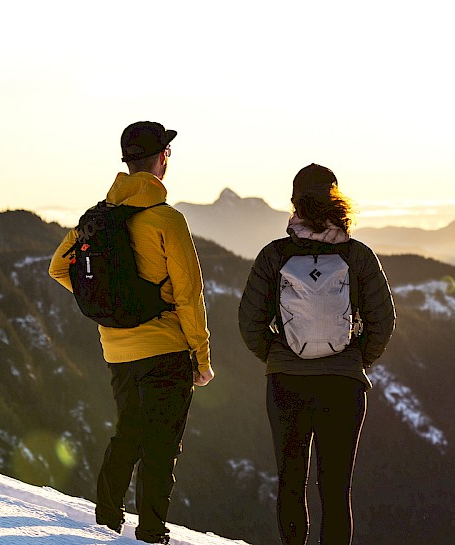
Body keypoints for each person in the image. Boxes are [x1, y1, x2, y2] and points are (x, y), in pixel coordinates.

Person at [49, 121, 215, 544]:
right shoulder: (167, 220)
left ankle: (105, 520)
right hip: (166, 348)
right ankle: (151, 533)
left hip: (117, 349)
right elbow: (189, 295)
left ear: (127, 163)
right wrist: (201, 357)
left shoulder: (97, 219)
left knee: (128, 432)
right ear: (162, 159)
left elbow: (58, 268)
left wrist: (106, 304)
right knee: (161, 446)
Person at [238, 163, 395, 545]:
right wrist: (357, 359)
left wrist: (278, 355)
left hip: (286, 382)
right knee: (336, 489)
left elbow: (249, 322)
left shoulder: (274, 256)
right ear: (336, 200)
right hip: (343, 385)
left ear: (294, 203)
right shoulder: (358, 256)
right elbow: (383, 320)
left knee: (292, 481)